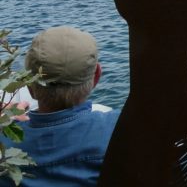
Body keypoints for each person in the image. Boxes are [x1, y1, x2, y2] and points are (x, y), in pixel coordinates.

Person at [0, 26, 119, 186]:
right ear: (96, 76)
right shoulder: (118, 129)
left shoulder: (5, 148)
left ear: (29, 86)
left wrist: (8, 126)